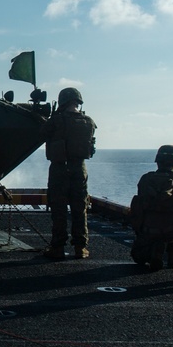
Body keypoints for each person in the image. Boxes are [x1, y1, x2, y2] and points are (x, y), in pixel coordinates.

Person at [41, 87, 97, 259]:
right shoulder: (89, 122)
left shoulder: (56, 121)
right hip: (80, 168)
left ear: (62, 101)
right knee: (80, 208)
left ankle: (58, 247)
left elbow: (42, 133)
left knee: (59, 209)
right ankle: (81, 247)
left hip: (60, 168)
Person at [129, 145, 173, 271]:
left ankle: (151, 251)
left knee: (139, 257)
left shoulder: (146, 178)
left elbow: (138, 209)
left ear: (158, 161)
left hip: (147, 230)